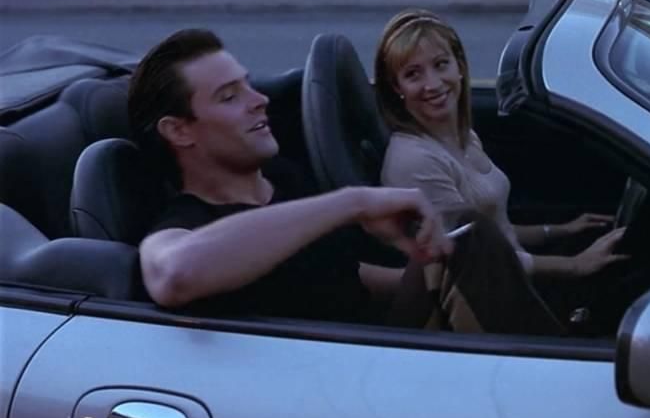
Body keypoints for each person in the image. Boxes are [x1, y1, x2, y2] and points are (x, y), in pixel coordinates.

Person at [130, 28, 452, 325]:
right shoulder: (185, 224)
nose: (260, 101)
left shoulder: (285, 179)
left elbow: (337, 275)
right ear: (179, 131)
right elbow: (174, 274)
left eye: (248, 86)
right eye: (229, 97)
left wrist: (433, 273)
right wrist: (355, 203)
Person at [375, 9, 628, 283]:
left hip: (512, 278)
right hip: (492, 295)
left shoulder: (463, 137)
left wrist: (559, 230)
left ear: (459, 67)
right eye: (413, 74)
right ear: (397, 87)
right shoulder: (415, 161)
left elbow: (496, 231)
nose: (433, 84)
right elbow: (472, 260)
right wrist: (575, 265)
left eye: (441, 64)